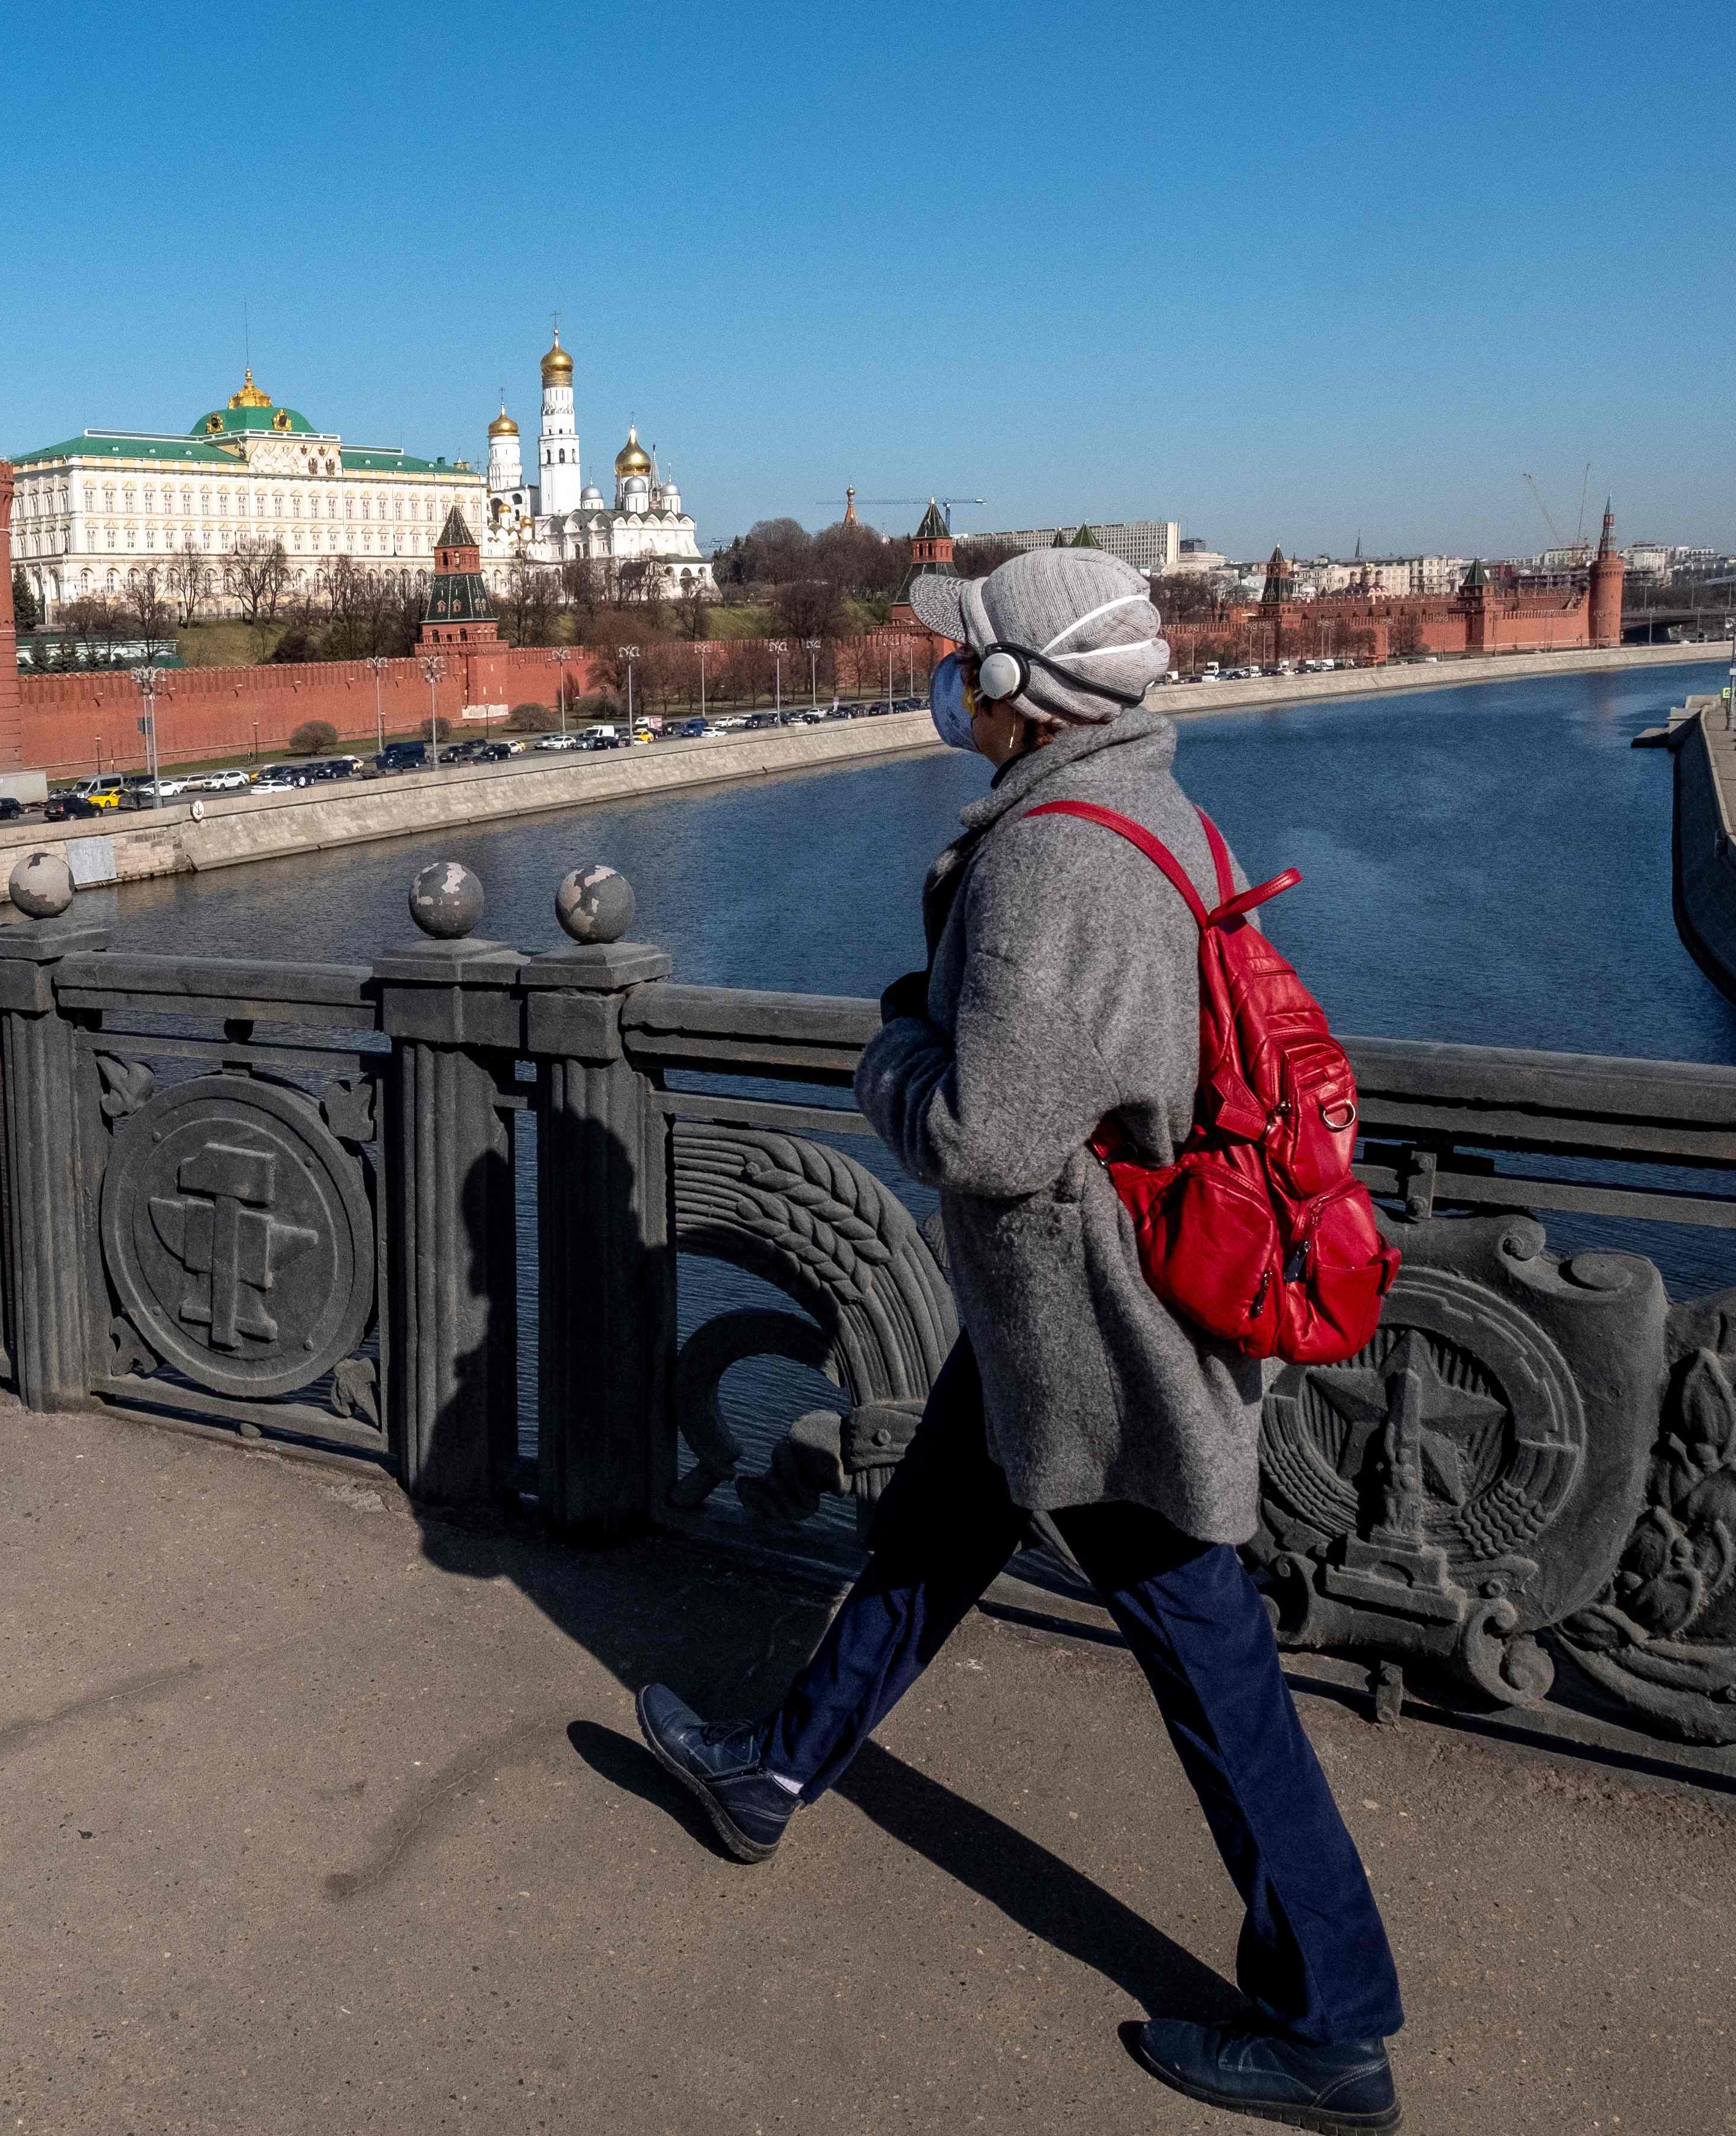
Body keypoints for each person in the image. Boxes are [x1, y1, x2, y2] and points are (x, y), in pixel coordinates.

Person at [634, 547, 1405, 2133]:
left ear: (1018, 697)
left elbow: (988, 1129)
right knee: (932, 1533)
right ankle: (774, 1766)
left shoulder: (1054, 855)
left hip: (1099, 1328)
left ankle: (1336, 2024)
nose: (943, 679)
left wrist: (892, 1056)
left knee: (1210, 1649)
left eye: (964, 658)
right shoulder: (1155, 805)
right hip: (1060, 1304)